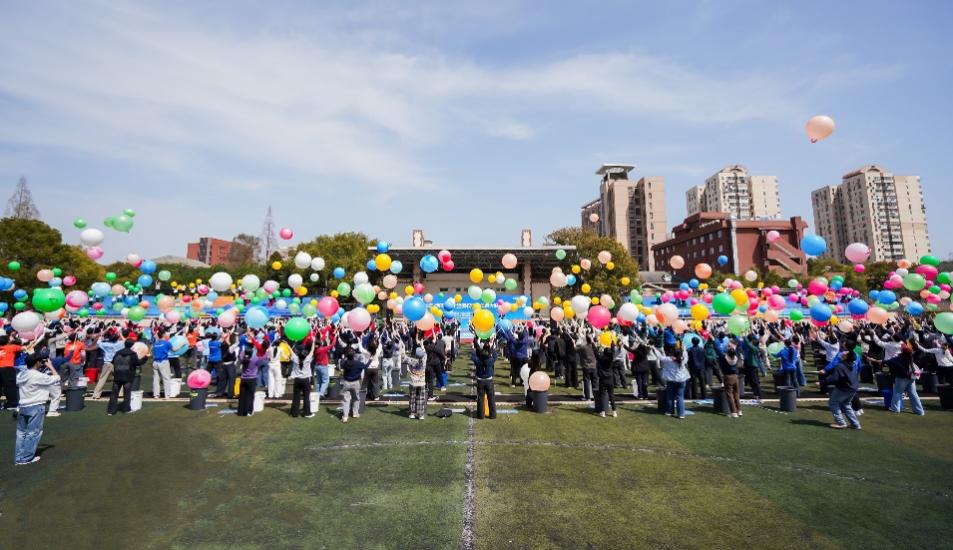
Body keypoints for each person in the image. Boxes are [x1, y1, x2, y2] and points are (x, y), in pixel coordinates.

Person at [14, 354, 60, 465]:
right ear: (37, 363)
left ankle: (19, 457)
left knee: (21, 434)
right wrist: (50, 366)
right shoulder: (38, 376)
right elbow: (57, 378)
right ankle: (26, 458)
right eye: (41, 361)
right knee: (33, 433)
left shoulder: (21, 374)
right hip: (36, 406)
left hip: (23, 406)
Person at [826, 349, 862, 430]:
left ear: (846, 357)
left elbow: (834, 378)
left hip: (844, 388)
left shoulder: (840, 366)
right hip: (853, 388)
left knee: (833, 403)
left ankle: (841, 423)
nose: (843, 353)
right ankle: (856, 424)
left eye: (845, 352)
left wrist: (822, 382)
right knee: (846, 405)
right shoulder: (853, 364)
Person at [887, 343, 925, 416]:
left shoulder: (899, 358)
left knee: (897, 392)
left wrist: (873, 360)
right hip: (911, 378)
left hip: (901, 378)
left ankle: (895, 408)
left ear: (902, 352)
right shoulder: (910, 357)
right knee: (913, 394)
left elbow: (887, 362)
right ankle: (920, 411)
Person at [107, 340, 143, 416]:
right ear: (132, 346)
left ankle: (111, 411)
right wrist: (145, 358)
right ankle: (126, 409)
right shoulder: (132, 354)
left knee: (114, 394)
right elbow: (137, 363)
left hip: (117, 375)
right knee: (127, 393)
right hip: (128, 375)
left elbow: (113, 361)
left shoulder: (118, 352)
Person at [91, 330, 124, 400]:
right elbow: (125, 341)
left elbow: (98, 342)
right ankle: (120, 393)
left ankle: (96, 394)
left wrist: (101, 334)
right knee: (120, 378)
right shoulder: (120, 344)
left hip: (107, 363)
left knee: (102, 379)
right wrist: (120, 334)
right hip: (116, 363)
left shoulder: (106, 344)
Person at [338, 347, 367, 422]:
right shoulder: (358, 363)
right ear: (354, 355)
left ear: (346, 355)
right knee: (356, 398)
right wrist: (369, 360)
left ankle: (345, 416)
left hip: (346, 383)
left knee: (346, 400)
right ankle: (355, 413)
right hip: (356, 383)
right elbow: (365, 366)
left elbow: (340, 364)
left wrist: (343, 357)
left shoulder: (344, 363)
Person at [661, 346, 690, 419]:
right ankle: (681, 414)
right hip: (681, 381)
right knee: (680, 397)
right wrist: (684, 350)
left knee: (670, 396)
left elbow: (660, 358)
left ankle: (669, 411)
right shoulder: (682, 360)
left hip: (671, 381)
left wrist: (661, 350)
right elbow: (686, 356)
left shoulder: (668, 359)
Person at [472, 339, 497, 419]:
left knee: (480, 399)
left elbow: (473, 356)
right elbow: (495, 355)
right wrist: (492, 347)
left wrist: (474, 347)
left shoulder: (478, 361)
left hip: (480, 381)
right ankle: (493, 415)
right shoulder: (490, 360)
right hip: (489, 381)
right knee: (491, 398)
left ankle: (481, 415)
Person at [289, 340, 315, 418]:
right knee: (306, 397)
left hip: (297, 380)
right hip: (305, 380)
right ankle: (307, 413)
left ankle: (294, 413)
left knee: (296, 396)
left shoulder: (295, 358)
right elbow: (312, 350)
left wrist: (293, 344)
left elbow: (290, 350)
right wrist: (313, 342)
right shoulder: (308, 359)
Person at [0, 334, 25, 410]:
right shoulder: (12, 347)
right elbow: (24, 348)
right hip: (8, 369)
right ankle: (11, 404)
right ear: (7, 341)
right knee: (10, 387)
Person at [719, 346, 742, 418]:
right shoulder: (736, 358)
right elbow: (737, 351)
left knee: (729, 395)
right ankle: (739, 410)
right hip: (735, 376)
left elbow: (719, 352)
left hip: (728, 377)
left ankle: (733, 412)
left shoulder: (725, 358)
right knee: (736, 394)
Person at [595, 343, 617, 418]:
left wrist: (593, 344)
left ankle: (603, 412)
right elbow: (613, 352)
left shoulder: (601, 359)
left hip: (603, 379)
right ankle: (614, 411)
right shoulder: (611, 359)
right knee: (611, 395)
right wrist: (612, 344)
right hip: (610, 379)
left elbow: (595, 353)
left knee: (602, 395)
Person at [150, 330, 173, 399]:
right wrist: (181, 347)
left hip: (155, 362)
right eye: (165, 334)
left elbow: (152, 352)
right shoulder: (167, 342)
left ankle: (156, 394)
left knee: (156, 379)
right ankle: (167, 395)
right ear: (163, 335)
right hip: (163, 361)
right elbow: (174, 349)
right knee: (166, 378)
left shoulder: (155, 344)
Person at [406, 347, 427, 419]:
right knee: (421, 398)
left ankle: (412, 413)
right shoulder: (424, 359)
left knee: (412, 398)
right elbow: (425, 353)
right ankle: (420, 414)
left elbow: (403, 357)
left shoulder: (411, 360)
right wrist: (422, 347)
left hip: (413, 382)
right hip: (421, 382)